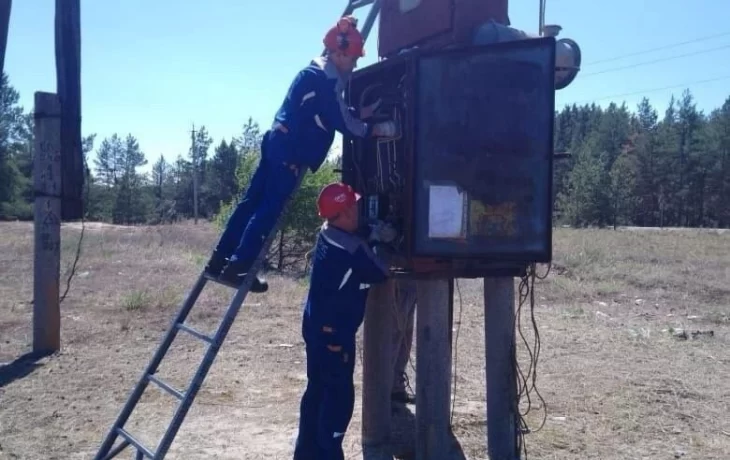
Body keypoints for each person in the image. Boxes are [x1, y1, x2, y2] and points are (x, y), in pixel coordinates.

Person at [203, 15, 398, 292]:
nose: (354, 66)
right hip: (289, 155)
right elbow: (345, 124)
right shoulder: (327, 82)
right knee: (267, 211)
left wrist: (358, 113)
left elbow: (326, 113)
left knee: (250, 204)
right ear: (338, 53)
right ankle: (238, 267)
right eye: (353, 59)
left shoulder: (314, 72)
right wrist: (379, 129)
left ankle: (218, 261)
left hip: (276, 143)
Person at [293, 182, 396, 460]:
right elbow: (380, 271)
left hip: (314, 325)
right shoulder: (352, 249)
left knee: (316, 389)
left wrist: (369, 235)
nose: (359, 210)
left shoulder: (327, 233)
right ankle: (329, 453)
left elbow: (353, 241)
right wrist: (380, 240)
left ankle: (305, 453)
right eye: (354, 206)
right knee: (338, 397)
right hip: (335, 335)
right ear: (347, 211)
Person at [391, 279, 417, 406]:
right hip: (400, 281)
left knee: (406, 335)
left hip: (413, 281)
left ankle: (396, 385)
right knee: (394, 335)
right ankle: (386, 388)